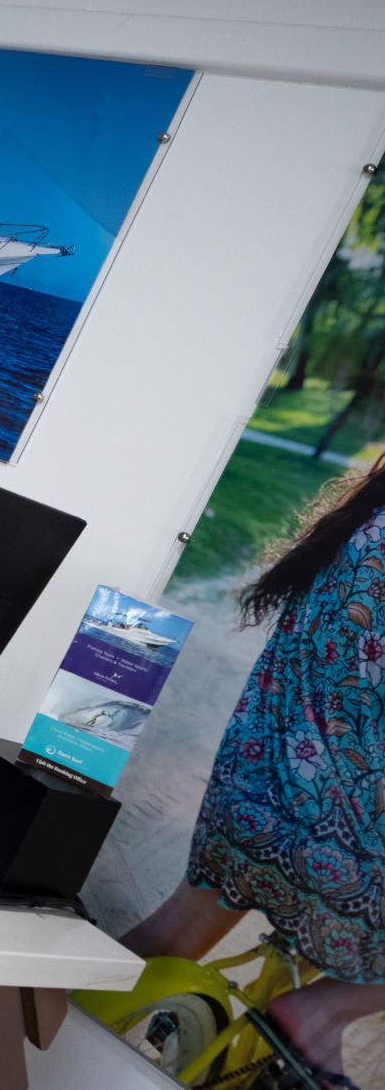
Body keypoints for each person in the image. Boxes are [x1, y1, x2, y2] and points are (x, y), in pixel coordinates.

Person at [121, 466, 385, 1087]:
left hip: (255, 790)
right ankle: (317, 1015)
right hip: (329, 832)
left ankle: (28, 1015)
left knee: (169, 934)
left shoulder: (368, 519)